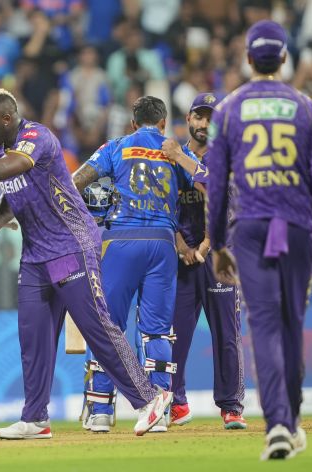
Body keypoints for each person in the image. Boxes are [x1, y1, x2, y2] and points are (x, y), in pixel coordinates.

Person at [0, 89, 172, 439]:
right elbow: (12, 192)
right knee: (33, 336)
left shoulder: (37, 137)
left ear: (7, 119)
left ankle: (149, 399)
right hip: (35, 254)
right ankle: (35, 418)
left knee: (97, 327)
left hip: (70, 246)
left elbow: (7, 169)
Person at [206, 21, 312, 460]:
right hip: (299, 228)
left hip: (250, 230)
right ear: (284, 58)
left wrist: (217, 243)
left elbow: (216, 184)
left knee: (265, 325)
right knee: (292, 325)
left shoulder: (227, 110)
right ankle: (292, 418)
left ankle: (279, 426)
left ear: (248, 58)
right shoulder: (308, 109)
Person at [71, 96, 207, 433]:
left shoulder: (116, 146)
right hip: (162, 243)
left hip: (120, 241)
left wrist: (91, 215)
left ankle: (100, 411)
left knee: (108, 326)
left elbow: (74, 182)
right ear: (163, 123)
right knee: (157, 330)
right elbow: (210, 181)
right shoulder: (175, 149)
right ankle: (158, 411)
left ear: (133, 123)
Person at [164, 93, 246, 430]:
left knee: (226, 333)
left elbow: (216, 189)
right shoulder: (170, 158)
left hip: (220, 257)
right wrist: (182, 245)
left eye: (211, 118)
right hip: (182, 257)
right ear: (188, 118)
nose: (204, 124)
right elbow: (164, 204)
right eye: (199, 116)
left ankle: (231, 407)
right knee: (174, 335)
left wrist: (206, 246)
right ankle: (176, 403)